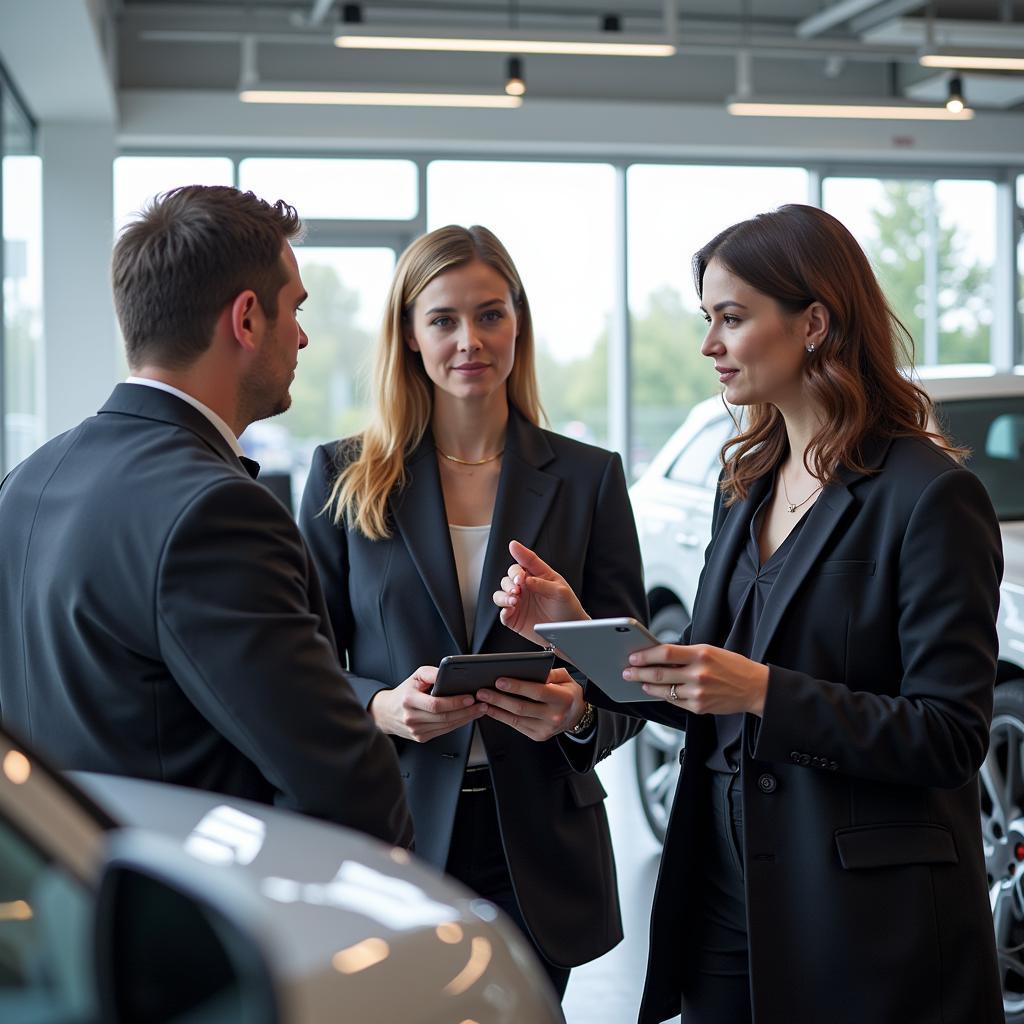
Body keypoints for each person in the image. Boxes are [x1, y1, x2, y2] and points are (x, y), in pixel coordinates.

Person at [494, 204, 1004, 1023]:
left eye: (731, 318)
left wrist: (767, 691)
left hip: (862, 913)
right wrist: (580, 629)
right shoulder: (746, 491)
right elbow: (706, 683)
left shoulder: (930, 496)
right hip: (726, 890)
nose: (709, 344)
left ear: (814, 323)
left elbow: (948, 736)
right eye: (708, 319)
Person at [0, 185, 412, 848]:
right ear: (246, 319)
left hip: (66, 915)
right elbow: (343, 783)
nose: (303, 336)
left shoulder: (26, 481)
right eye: (294, 309)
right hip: (203, 922)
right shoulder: (216, 514)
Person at [299, 224, 647, 998]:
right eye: (444, 319)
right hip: (396, 834)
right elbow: (304, 667)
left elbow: (633, 676)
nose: (470, 340)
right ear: (410, 337)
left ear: (518, 322)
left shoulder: (589, 479)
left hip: (539, 843)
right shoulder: (344, 476)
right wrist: (384, 705)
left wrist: (579, 714)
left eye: (491, 314)